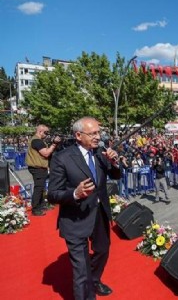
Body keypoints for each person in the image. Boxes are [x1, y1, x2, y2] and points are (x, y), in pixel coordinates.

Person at [48, 117, 121, 300]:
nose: (98, 137)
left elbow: (116, 175)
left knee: (103, 250)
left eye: (99, 132)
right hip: (75, 219)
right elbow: (53, 194)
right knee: (81, 272)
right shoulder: (61, 158)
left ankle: (94, 280)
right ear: (78, 135)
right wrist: (75, 194)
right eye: (93, 133)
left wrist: (114, 162)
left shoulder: (100, 152)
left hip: (99, 215)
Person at [25, 124, 61, 216]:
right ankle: (36, 208)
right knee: (39, 188)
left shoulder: (37, 140)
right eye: (46, 132)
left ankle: (40, 205)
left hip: (39, 167)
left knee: (41, 188)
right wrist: (54, 144)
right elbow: (46, 153)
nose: (47, 134)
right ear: (40, 131)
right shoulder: (37, 141)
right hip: (37, 168)